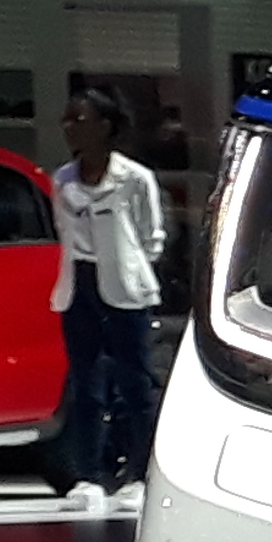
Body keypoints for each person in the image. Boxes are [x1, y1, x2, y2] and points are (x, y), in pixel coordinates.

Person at [49, 85, 164, 510]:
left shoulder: (134, 179)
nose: (69, 127)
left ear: (104, 126)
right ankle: (88, 476)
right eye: (67, 120)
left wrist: (128, 266)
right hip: (79, 284)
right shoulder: (62, 180)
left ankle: (138, 475)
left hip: (124, 286)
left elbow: (151, 237)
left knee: (135, 382)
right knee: (86, 383)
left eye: (78, 119)